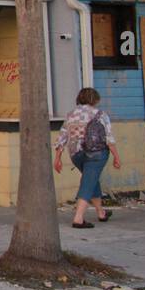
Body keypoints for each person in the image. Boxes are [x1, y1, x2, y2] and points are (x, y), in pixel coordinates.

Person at [53, 87, 121, 228]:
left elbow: (62, 137)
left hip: (76, 154)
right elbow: (109, 138)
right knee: (88, 181)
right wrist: (116, 157)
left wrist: (57, 158)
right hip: (97, 153)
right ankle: (78, 219)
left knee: (91, 178)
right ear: (95, 99)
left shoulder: (71, 115)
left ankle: (101, 213)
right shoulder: (101, 114)